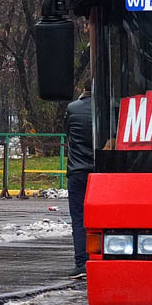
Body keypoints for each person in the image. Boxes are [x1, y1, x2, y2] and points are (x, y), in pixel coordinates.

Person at [65, 81, 94, 278]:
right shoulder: (108, 108)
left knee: (79, 219)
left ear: (82, 89)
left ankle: (81, 262)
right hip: (102, 173)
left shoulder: (72, 109)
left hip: (77, 171)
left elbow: (66, 132)